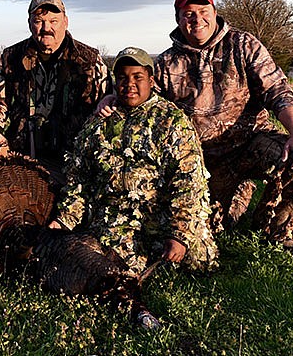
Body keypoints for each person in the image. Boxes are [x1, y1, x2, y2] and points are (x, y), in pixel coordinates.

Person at [99, 0, 293, 251]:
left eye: (203, 11)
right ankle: (237, 195)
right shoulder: (167, 63)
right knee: (218, 224)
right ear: (178, 19)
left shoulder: (244, 45)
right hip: (204, 162)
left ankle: (275, 227)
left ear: (214, 12)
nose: (196, 19)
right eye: (188, 13)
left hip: (251, 143)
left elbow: (277, 91)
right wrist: (113, 99)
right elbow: (144, 99)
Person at [49, 47, 219, 328]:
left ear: (151, 80)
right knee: (108, 270)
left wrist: (180, 234)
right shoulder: (98, 124)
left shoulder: (172, 121)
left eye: (137, 76)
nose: (130, 84)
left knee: (201, 260)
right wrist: (64, 220)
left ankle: (187, 238)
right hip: (116, 222)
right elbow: (78, 178)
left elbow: (190, 183)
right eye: (123, 77)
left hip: (161, 218)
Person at [0, 0, 111, 184]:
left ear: (65, 22)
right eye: (39, 21)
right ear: (29, 24)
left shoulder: (89, 60)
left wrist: (108, 102)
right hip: (24, 154)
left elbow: (108, 100)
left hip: (73, 156)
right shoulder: (11, 57)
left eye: (54, 21)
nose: (46, 28)